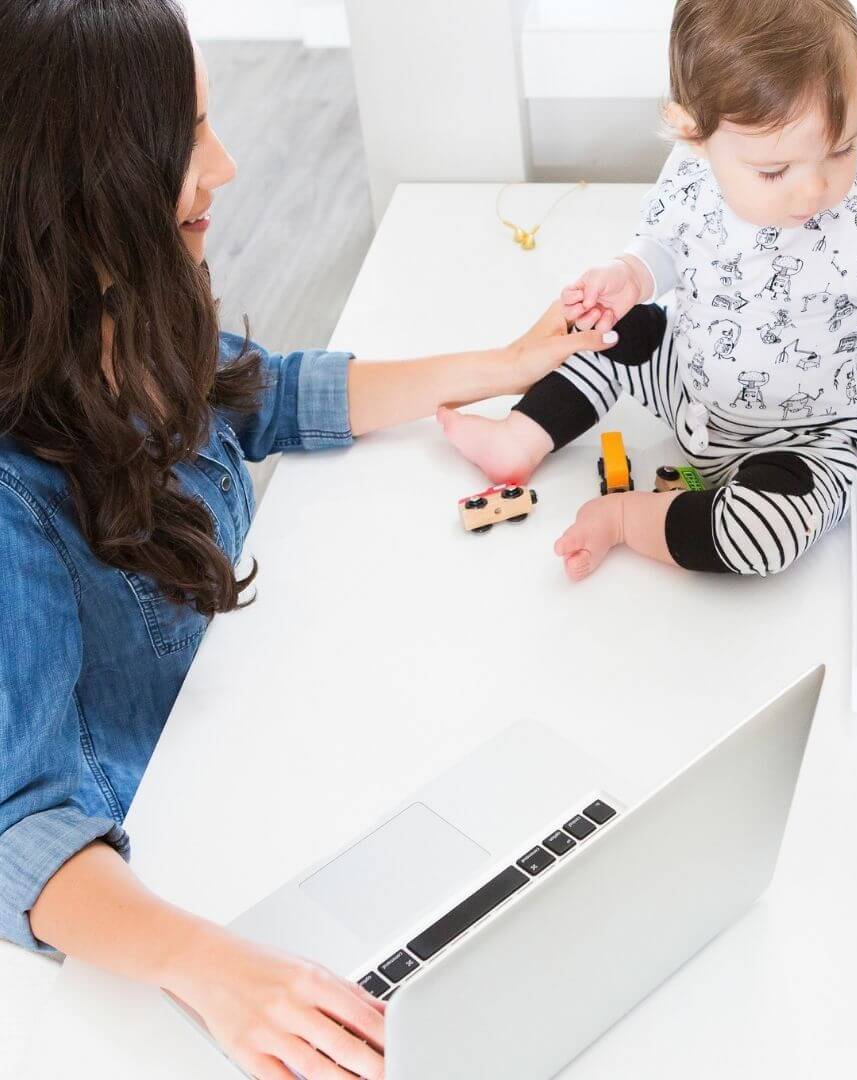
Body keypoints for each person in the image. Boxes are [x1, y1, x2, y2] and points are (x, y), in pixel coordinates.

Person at [0, 3, 617, 1078]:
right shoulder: (12, 503)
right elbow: (19, 832)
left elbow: (264, 395)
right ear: (85, 178)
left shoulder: (127, 312)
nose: (229, 165)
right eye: (189, 138)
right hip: (172, 898)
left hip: (272, 756)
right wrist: (212, 968)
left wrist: (503, 362)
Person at [439, 0, 857, 582]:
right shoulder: (692, 172)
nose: (814, 189)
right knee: (605, 328)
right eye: (774, 170)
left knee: (766, 538)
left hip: (814, 439)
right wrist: (631, 274)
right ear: (694, 134)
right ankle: (520, 437)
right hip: (689, 386)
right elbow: (664, 246)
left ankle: (631, 520)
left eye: (841, 148)